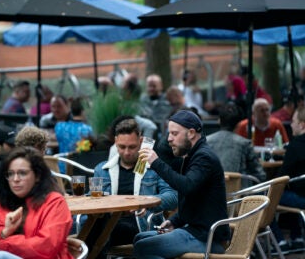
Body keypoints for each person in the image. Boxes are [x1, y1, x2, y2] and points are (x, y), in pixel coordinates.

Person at [133, 110, 230, 258]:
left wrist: (156, 162)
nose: (169, 139)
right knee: (139, 238)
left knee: (143, 247)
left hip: (208, 238)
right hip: (195, 231)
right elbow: (195, 203)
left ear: (191, 133)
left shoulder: (204, 157)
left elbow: (186, 186)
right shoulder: (193, 155)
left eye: (174, 133)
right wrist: (174, 221)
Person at [87, 119, 177, 257]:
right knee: (94, 224)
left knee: (97, 230)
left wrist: (146, 203)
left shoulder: (153, 168)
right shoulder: (102, 169)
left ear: (140, 142)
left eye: (132, 147)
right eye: (122, 147)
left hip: (141, 224)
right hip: (110, 224)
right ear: (115, 142)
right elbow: (92, 198)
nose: (127, 152)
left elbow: (172, 196)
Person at [0, 147, 73, 259]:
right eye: (10, 174)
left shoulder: (54, 202)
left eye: (22, 173)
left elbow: (47, 247)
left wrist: (2, 245)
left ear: (37, 176)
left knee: (0, 255)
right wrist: (4, 233)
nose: (15, 179)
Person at [271, 106, 305, 254]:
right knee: (288, 192)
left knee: (268, 198)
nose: (291, 124)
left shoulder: (295, 145)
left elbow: (282, 177)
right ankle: (297, 238)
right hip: (300, 194)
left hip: (302, 198)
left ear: (302, 125)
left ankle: (280, 242)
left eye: (293, 121)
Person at [207, 103, 266, 182]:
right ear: (239, 124)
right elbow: (260, 175)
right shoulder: (245, 143)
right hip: (240, 192)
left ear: (219, 121)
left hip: (212, 192)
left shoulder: (206, 141)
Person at [139, 74, 171, 139]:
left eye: (154, 86)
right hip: (146, 134)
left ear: (161, 86)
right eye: (149, 86)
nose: (151, 89)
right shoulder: (142, 100)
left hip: (163, 134)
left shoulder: (168, 100)